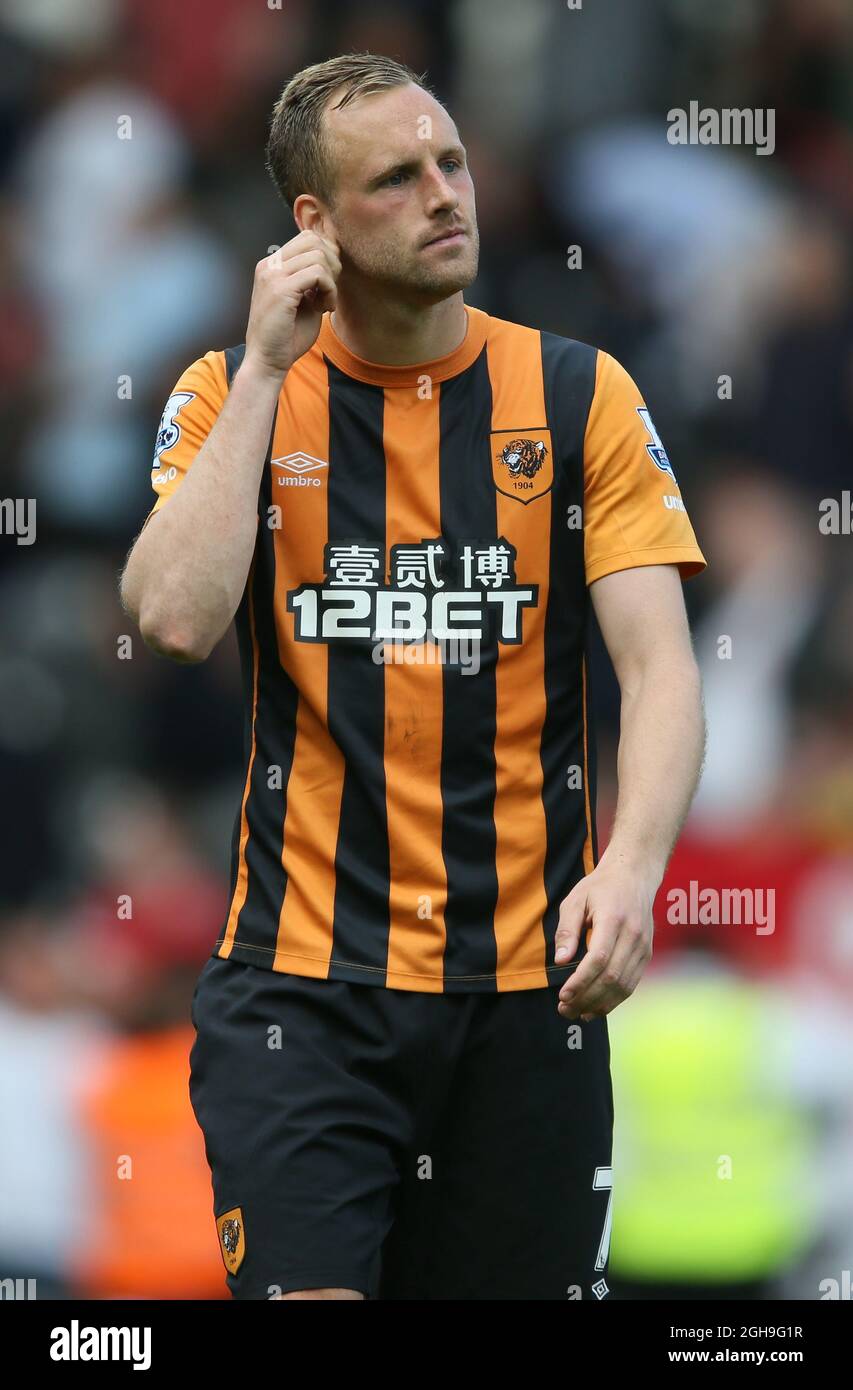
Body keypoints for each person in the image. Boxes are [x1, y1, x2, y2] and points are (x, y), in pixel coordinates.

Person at [120, 52, 707, 1301]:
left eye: (450, 160)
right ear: (314, 227)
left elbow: (658, 668)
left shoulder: (575, 395)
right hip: (302, 994)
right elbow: (170, 621)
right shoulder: (230, 394)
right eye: (396, 178)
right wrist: (271, 371)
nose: (446, 194)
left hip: (525, 990)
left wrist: (635, 864)